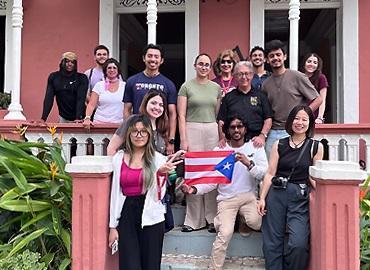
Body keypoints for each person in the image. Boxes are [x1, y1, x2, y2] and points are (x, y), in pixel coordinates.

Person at [182, 115, 267, 270]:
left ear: (245, 128)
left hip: (249, 197)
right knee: (225, 233)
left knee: (256, 222)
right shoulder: (219, 150)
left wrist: (249, 164)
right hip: (226, 200)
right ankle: (214, 267)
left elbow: (264, 174)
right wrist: (193, 189)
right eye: (232, 127)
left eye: (239, 126)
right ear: (227, 130)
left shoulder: (255, 147)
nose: (236, 130)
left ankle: (241, 219)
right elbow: (211, 182)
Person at [108, 114, 183, 270]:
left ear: (149, 134)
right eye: (135, 131)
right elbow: (115, 194)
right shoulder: (118, 158)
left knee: (151, 265)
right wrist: (113, 226)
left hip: (152, 216)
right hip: (127, 213)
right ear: (128, 134)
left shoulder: (159, 159)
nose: (139, 135)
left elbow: (159, 196)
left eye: (143, 131)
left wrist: (160, 174)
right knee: (130, 264)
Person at [257, 105, 324, 270]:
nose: (299, 122)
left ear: (310, 123)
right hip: (276, 194)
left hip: (300, 196)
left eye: (304, 119)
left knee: (299, 244)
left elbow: (312, 176)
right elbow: (270, 173)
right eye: (296, 118)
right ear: (290, 121)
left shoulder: (316, 147)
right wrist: (262, 198)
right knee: (272, 242)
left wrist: (325, 195)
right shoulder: (279, 144)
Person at [178, 53, 222, 233]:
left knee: (211, 173)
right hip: (192, 128)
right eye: (201, 64)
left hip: (211, 129)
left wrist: (220, 136)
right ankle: (193, 220)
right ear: (195, 65)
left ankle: (212, 218)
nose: (204, 67)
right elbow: (181, 114)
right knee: (194, 173)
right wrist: (183, 138)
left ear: (210, 68)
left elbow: (217, 115)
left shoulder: (216, 87)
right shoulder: (186, 86)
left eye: (207, 65)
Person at [261, 40, 322, 158]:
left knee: (293, 166)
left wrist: (304, 115)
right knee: (269, 165)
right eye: (271, 56)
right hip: (273, 131)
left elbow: (318, 99)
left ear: (285, 56)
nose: (275, 58)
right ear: (267, 60)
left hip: (294, 130)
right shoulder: (265, 84)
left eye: (278, 55)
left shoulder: (297, 76)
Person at [123, 44, 177, 155]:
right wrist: (128, 130)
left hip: (159, 132)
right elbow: (127, 109)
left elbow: (172, 114)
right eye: (150, 56)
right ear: (144, 58)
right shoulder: (132, 81)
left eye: (156, 57)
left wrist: (171, 139)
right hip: (138, 131)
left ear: (161, 60)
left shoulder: (169, 84)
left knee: (159, 166)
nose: (153, 59)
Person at [217, 61, 273, 148]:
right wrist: (222, 138)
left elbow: (268, 119)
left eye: (247, 74)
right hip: (233, 143)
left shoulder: (261, 95)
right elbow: (221, 121)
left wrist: (262, 136)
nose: (244, 77)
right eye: (240, 74)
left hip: (256, 142)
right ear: (235, 76)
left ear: (252, 75)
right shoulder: (228, 97)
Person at [107, 88, 168, 155]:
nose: (157, 107)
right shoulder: (132, 121)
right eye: (153, 103)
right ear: (146, 103)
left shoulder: (162, 127)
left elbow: (159, 159)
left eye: (161, 105)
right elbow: (112, 148)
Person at [41, 52, 88, 122]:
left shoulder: (82, 78)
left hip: (80, 118)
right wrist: (43, 118)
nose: (70, 64)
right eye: (67, 61)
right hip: (63, 116)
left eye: (72, 62)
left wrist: (78, 117)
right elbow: (49, 98)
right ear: (62, 62)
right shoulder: (54, 77)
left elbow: (81, 99)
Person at [83, 58, 125, 127]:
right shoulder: (99, 85)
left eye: (114, 68)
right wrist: (87, 118)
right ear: (105, 70)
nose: (112, 70)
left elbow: (128, 107)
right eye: (109, 68)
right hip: (99, 124)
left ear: (118, 71)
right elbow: (91, 105)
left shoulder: (125, 86)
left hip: (119, 125)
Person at [301, 53, 329, 124]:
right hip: (300, 116)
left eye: (315, 63)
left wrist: (320, 117)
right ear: (304, 63)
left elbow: (322, 99)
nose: (312, 64)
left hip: (314, 117)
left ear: (318, 66)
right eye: (309, 61)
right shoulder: (299, 77)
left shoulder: (321, 78)